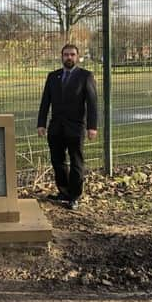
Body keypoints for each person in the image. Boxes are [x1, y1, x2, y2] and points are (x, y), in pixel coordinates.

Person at [37, 43, 98, 211]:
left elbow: (92, 104)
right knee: (58, 161)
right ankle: (63, 191)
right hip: (56, 127)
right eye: (66, 54)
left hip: (76, 128)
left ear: (77, 57)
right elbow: (45, 102)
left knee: (77, 162)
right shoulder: (53, 77)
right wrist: (41, 123)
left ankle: (75, 196)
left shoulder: (85, 76)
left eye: (72, 54)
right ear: (61, 56)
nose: (69, 57)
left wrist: (92, 127)